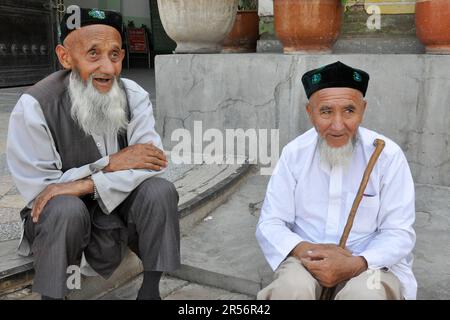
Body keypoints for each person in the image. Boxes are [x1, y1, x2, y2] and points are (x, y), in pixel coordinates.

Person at [6, 8, 180, 300]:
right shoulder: (35, 106)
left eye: (114, 55)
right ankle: (52, 296)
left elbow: (153, 163)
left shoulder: (133, 94)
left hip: (116, 205)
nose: (108, 69)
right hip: (59, 217)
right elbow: (43, 192)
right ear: (65, 57)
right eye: (93, 54)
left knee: (159, 191)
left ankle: (150, 291)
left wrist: (85, 183)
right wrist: (111, 164)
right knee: (64, 207)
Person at [256, 61, 416, 300]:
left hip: (370, 261)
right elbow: (271, 222)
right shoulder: (294, 153)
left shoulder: (387, 156)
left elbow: (399, 232)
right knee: (290, 290)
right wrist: (307, 251)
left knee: (367, 295)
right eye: (326, 111)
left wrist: (356, 263)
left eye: (349, 111)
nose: (338, 125)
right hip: (306, 258)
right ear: (310, 112)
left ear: (363, 110)